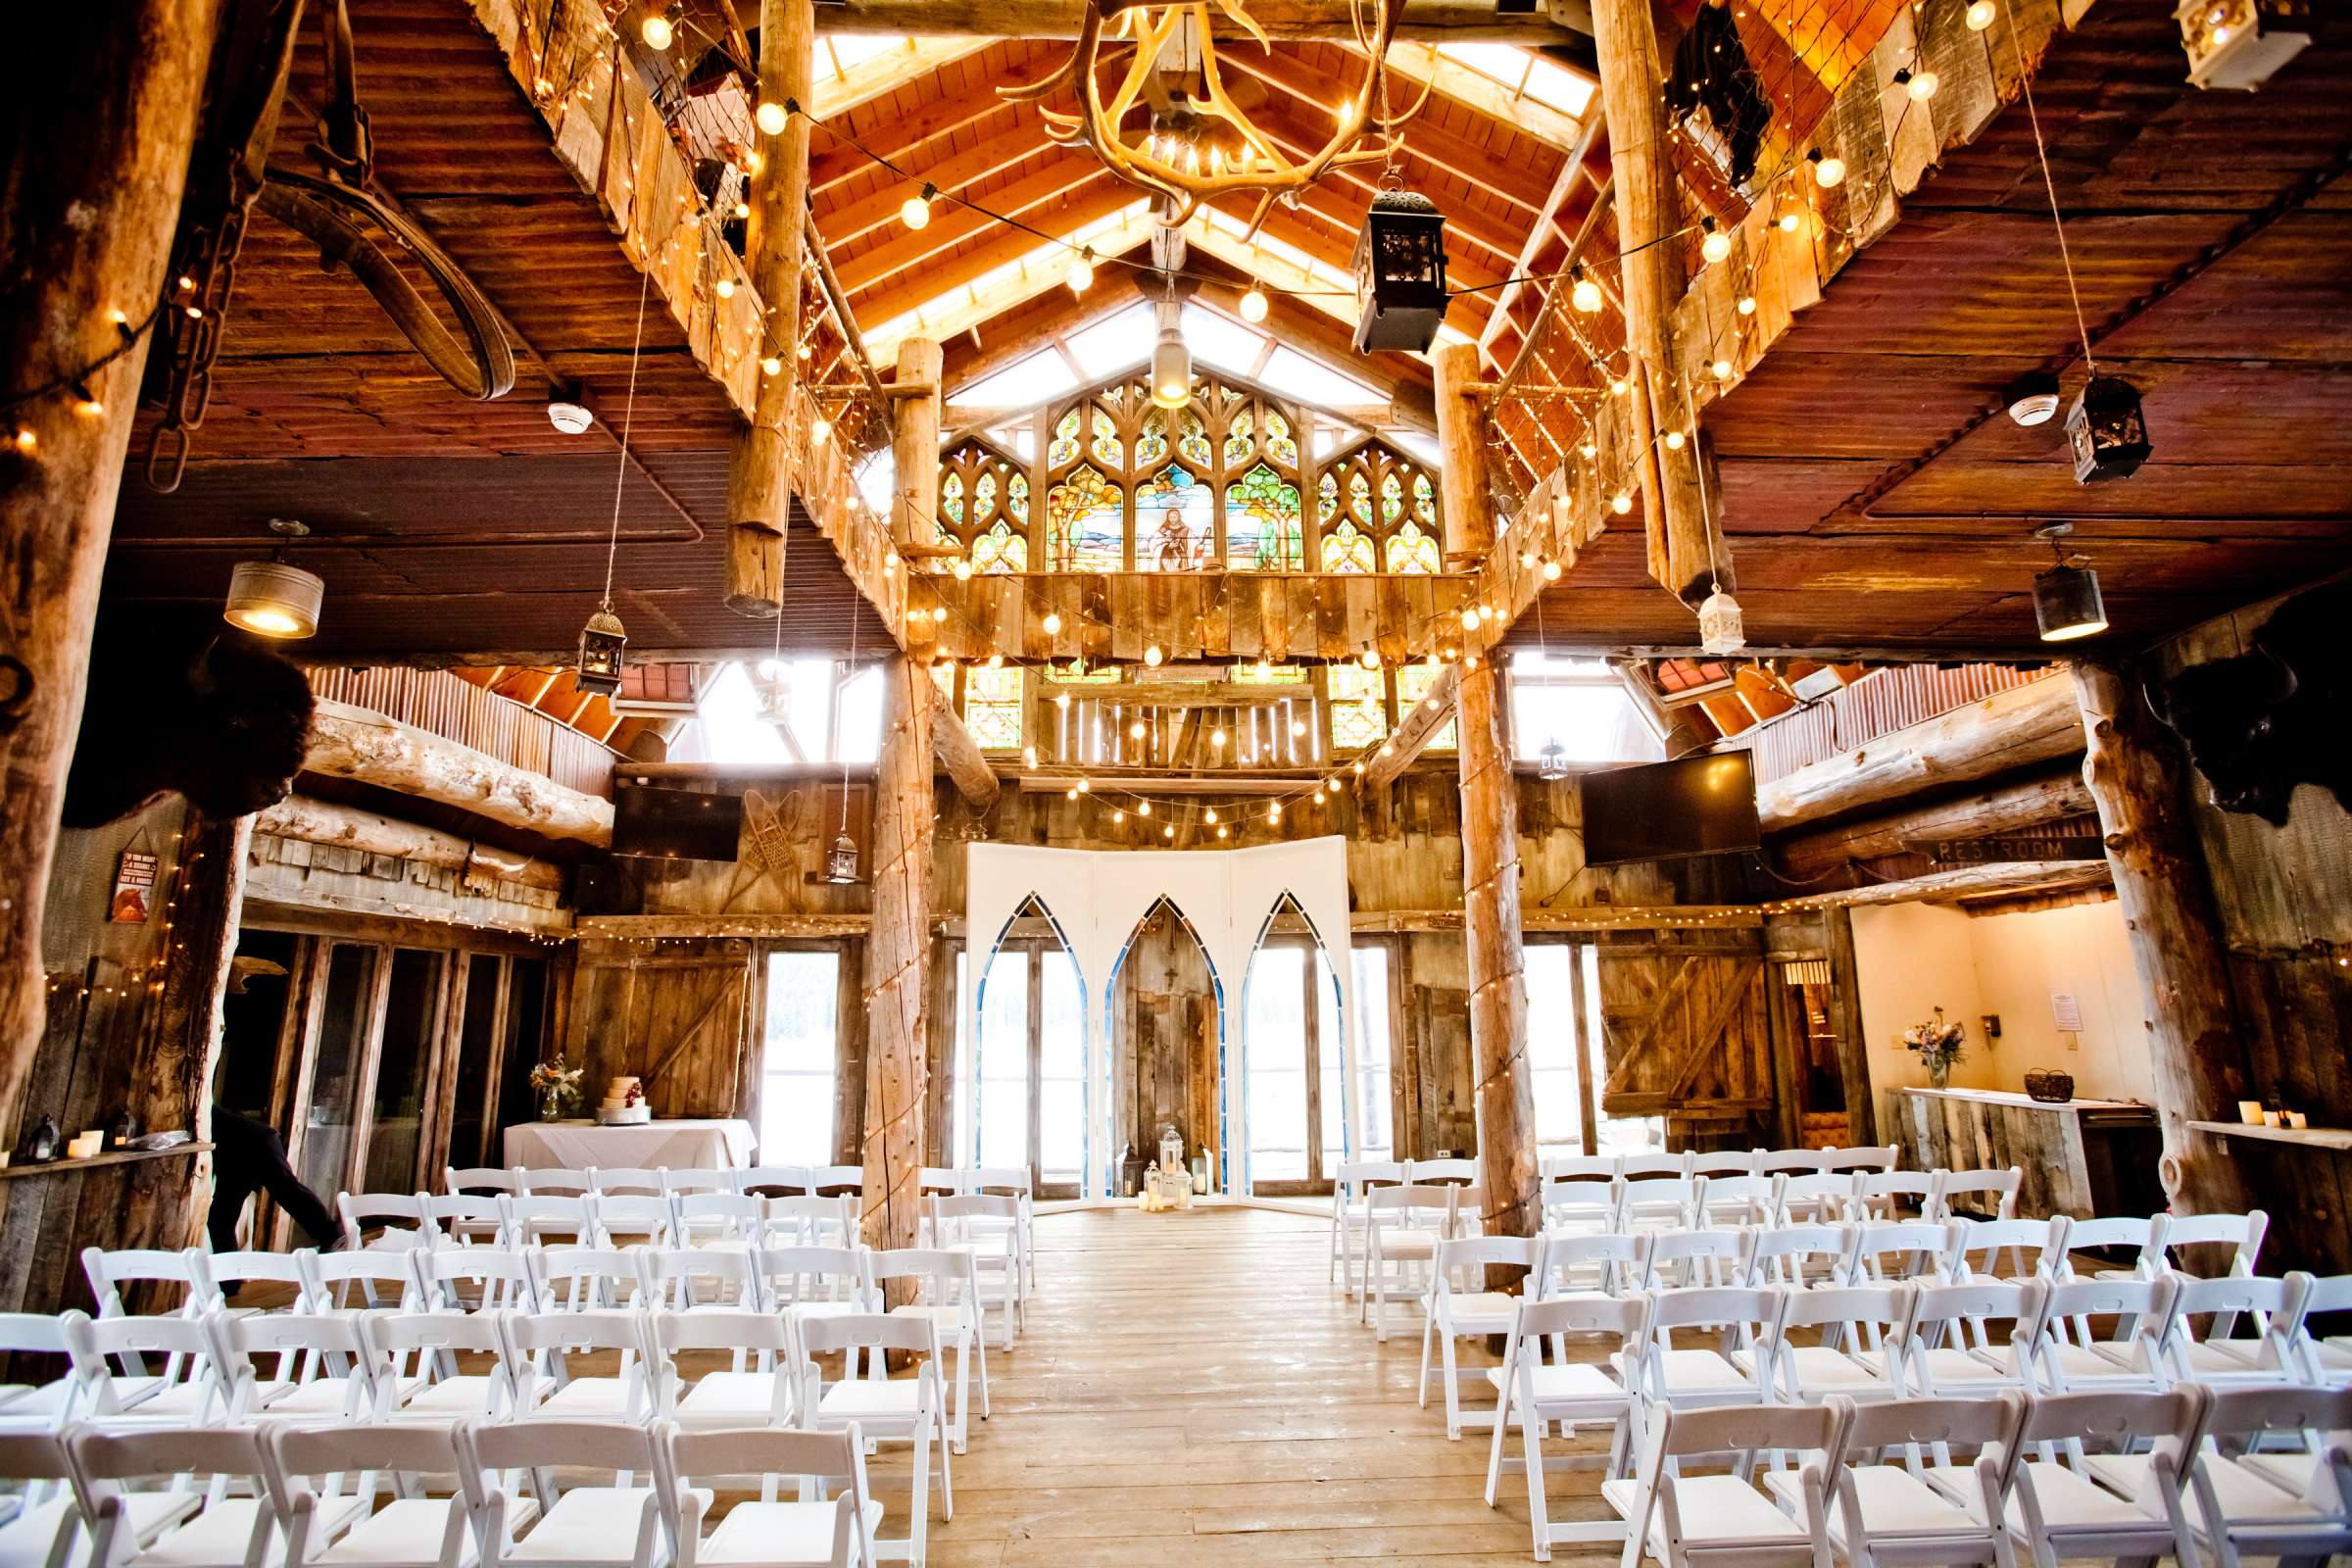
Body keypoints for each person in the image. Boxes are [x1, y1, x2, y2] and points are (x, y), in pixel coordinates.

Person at [207, 1104, 339, 1254]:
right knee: (220, 1220)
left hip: (258, 1143)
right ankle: (229, 1275)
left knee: (287, 1191)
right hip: (233, 1157)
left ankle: (330, 1232)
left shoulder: (195, 1107)